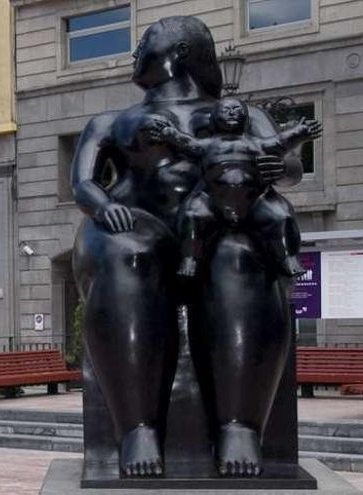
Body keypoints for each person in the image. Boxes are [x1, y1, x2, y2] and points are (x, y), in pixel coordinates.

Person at [71, 16, 298, 477]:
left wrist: (275, 166)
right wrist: (101, 207)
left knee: (239, 256)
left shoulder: (245, 116)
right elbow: (82, 183)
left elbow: (288, 163)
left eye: (143, 45)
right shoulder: (111, 122)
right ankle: (137, 427)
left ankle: (239, 425)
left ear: (177, 54)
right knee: (127, 254)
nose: (134, 55)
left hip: (220, 225)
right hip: (136, 223)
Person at [146, 97, 321, 278]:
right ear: (214, 119)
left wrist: (300, 132)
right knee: (191, 216)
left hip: (255, 200)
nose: (231, 113)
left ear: (245, 118)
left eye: (236, 110)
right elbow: (187, 143)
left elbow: (281, 141)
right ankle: (190, 258)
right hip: (212, 200)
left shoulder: (257, 143)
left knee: (282, 216)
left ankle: (287, 256)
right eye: (226, 110)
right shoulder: (207, 145)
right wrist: (169, 134)